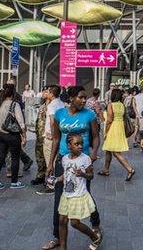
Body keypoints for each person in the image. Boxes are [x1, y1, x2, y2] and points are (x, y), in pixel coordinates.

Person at [43, 86, 101, 250]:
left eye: (85, 97)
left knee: (85, 194)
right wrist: (50, 163)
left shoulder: (89, 114)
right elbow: (55, 139)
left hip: (83, 161)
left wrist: (94, 153)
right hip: (63, 160)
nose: (84, 100)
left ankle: (95, 224)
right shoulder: (59, 114)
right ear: (71, 98)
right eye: (81, 97)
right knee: (59, 198)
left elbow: (96, 136)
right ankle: (57, 237)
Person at [55, 133, 101, 250]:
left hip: (78, 195)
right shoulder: (65, 159)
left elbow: (91, 176)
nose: (80, 146)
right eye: (77, 144)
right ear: (69, 145)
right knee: (61, 220)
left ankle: (95, 237)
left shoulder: (85, 159)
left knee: (74, 223)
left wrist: (83, 174)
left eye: (81, 144)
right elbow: (66, 175)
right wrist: (56, 180)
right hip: (66, 195)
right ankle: (63, 248)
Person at [0, 84, 27, 191]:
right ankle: (14, 182)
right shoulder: (15, 105)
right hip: (13, 135)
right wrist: (24, 137)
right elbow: (21, 123)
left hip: (1, 135)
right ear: (13, 94)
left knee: (0, 157)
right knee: (15, 158)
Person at [98, 89, 135, 180]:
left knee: (115, 152)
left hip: (113, 128)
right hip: (120, 127)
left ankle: (129, 169)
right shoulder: (122, 105)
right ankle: (106, 169)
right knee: (108, 150)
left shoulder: (111, 105)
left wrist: (106, 132)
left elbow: (109, 120)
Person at [40, 85, 65, 194]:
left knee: (50, 162)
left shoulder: (52, 105)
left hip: (51, 138)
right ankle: (58, 183)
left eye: (48, 92)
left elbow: (52, 121)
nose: (47, 94)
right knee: (57, 161)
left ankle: (51, 185)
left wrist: (53, 134)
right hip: (60, 136)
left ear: (52, 94)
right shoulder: (62, 103)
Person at [31, 86, 50, 187]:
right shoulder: (42, 106)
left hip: (47, 137)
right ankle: (40, 175)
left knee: (48, 157)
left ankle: (49, 178)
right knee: (39, 156)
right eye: (43, 92)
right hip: (39, 136)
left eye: (46, 92)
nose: (43, 94)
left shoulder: (52, 106)